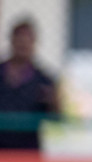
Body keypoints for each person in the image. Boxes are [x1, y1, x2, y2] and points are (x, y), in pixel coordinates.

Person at [0, 18, 60, 151]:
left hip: (27, 150)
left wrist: (54, 102)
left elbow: (56, 120)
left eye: (27, 40)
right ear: (12, 41)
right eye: (20, 39)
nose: (23, 45)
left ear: (34, 43)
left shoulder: (44, 81)